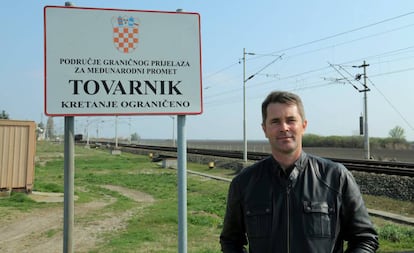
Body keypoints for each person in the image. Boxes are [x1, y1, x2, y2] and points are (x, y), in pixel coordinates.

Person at [219, 91, 379, 253]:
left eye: (291, 120)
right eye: (275, 121)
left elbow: (364, 238)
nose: (284, 128)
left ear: (303, 125)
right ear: (264, 129)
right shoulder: (244, 183)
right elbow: (230, 241)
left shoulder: (336, 177)